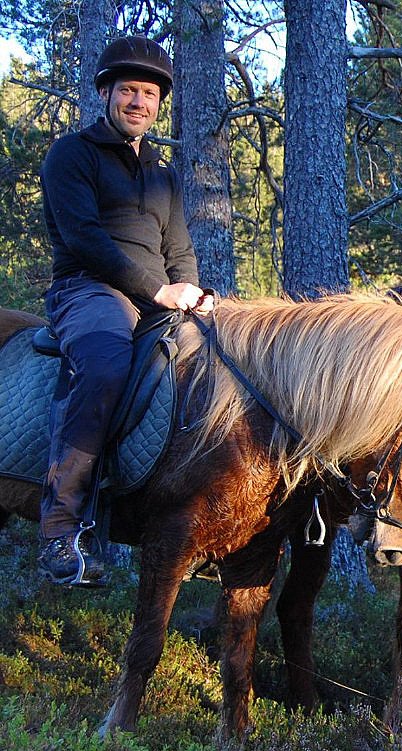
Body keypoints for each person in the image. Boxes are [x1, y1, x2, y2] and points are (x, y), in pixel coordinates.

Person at [37, 35, 214, 586]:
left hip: (157, 297)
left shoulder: (163, 175)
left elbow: (179, 249)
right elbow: (86, 239)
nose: (138, 101)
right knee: (107, 365)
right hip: (89, 290)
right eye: (128, 90)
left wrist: (193, 292)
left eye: (149, 93)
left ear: (159, 104)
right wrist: (157, 291)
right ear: (107, 93)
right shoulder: (73, 155)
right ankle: (59, 527)